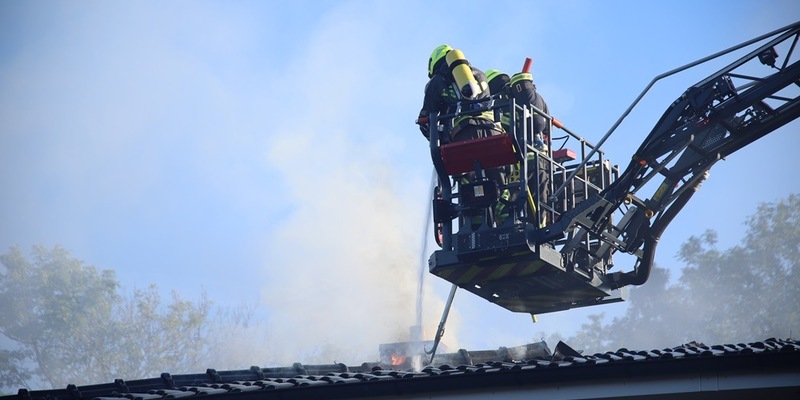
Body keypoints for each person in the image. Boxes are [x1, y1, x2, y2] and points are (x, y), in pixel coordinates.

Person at [417, 45, 506, 229]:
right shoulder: (480, 74)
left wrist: (439, 140)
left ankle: (473, 230)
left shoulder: (438, 81)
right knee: (501, 185)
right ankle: (507, 224)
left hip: (464, 137)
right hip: (493, 135)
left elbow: (426, 119)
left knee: (467, 186)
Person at [486, 68, 552, 226]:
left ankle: (506, 227)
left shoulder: (496, 103)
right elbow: (547, 128)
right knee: (539, 202)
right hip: (539, 159)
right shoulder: (536, 98)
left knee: (509, 198)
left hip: (514, 162)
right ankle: (540, 231)